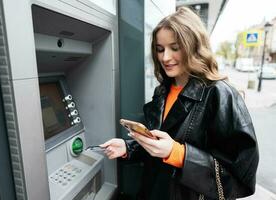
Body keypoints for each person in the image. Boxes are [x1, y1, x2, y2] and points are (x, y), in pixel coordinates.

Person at [100, 7, 259, 200]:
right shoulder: (162, 91)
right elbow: (160, 144)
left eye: (175, 48)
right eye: (160, 49)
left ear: (193, 47)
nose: (165, 57)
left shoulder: (220, 94)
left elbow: (241, 177)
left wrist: (179, 153)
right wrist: (129, 147)